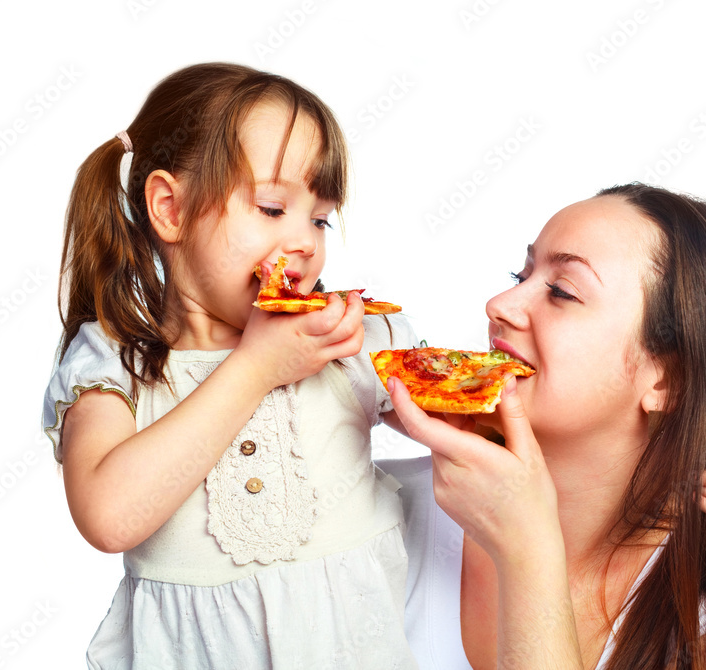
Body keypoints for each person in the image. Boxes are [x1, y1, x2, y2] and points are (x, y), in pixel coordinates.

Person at [41, 63, 422, 669]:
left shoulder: (346, 337)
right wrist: (255, 367)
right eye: (273, 208)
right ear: (170, 208)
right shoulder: (116, 358)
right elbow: (108, 517)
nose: (305, 241)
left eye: (320, 218)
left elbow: (481, 430)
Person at [385, 183, 706, 669]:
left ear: (668, 380)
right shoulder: (368, 511)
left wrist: (527, 552)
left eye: (561, 291)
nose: (500, 304)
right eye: (521, 273)